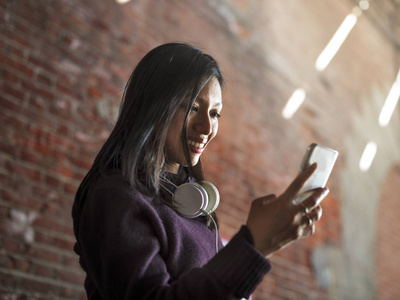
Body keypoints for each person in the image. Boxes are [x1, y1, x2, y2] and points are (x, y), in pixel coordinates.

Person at [72, 42, 329, 299]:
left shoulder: (190, 202)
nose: (207, 127)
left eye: (215, 113)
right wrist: (253, 247)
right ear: (154, 105)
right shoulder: (116, 197)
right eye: (193, 107)